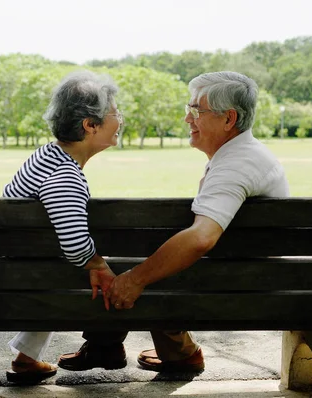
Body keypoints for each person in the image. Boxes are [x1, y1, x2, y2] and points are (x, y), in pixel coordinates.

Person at [58, 71, 290, 373]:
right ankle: (165, 351)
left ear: (228, 119)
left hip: (245, 285)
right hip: (250, 274)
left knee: (139, 266)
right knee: (147, 260)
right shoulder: (242, 155)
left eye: (196, 111)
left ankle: (120, 348)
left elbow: (201, 238)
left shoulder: (238, 165)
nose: (187, 119)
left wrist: (135, 279)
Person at [2, 70, 124, 384]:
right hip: (29, 281)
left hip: (20, 271)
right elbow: (74, 245)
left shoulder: (46, 157)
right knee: (125, 273)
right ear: (90, 125)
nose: (120, 119)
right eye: (114, 112)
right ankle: (111, 347)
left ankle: (26, 359)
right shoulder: (65, 176)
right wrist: (99, 264)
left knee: (63, 266)